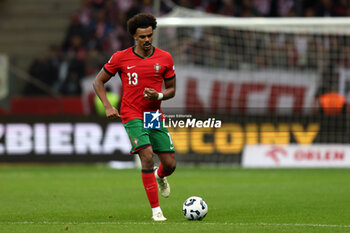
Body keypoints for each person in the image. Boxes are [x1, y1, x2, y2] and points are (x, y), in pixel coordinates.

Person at [93, 13, 176, 221]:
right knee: (147, 156)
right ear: (134, 37)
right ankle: (156, 211)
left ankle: (159, 176)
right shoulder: (121, 57)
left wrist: (158, 95)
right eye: (142, 37)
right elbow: (98, 82)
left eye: (149, 35)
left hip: (153, 114)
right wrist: (108, 106)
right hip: (132, 113)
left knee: (170, 164)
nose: (147, 40)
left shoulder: (165, 57)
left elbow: (172, 89)